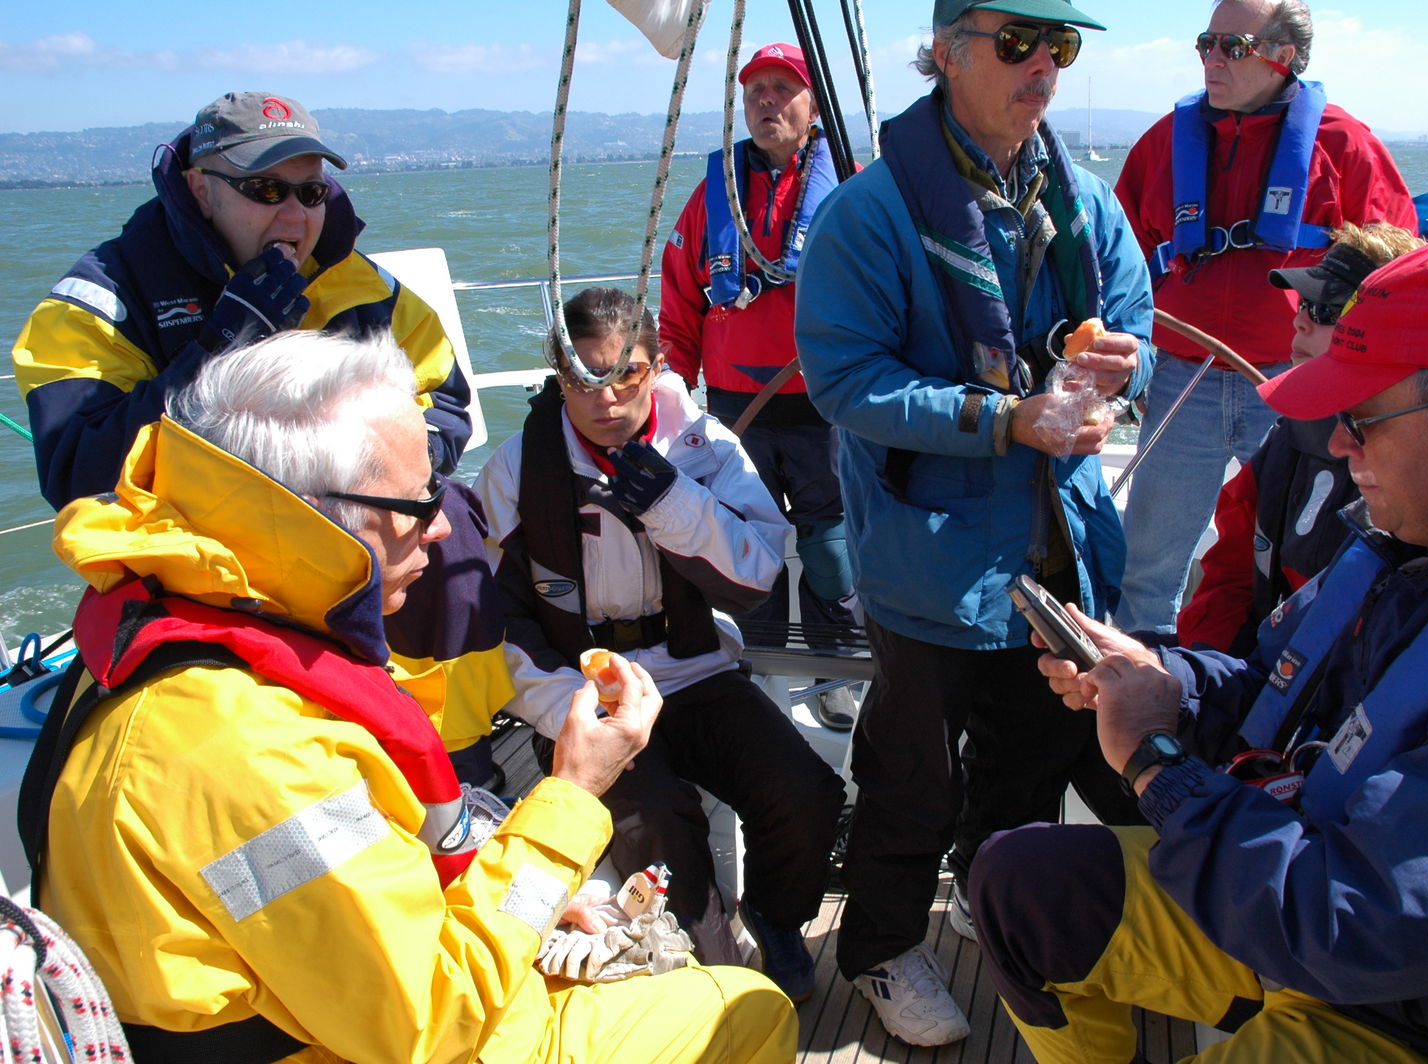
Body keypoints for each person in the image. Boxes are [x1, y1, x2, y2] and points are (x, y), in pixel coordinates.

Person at [25, 330, 796, 1064]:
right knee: (743, 1006)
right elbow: (435, 1020)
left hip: (361, 1005)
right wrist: (572, 791)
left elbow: (347, 898)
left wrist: (517, 890)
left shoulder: (199, 628)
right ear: (316, 517)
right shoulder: (244, 749)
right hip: (391, 1038)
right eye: (418, 506)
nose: (440, 531)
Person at [969, 233, 1428, 1062]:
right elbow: (1278, 690)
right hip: (1302, 899)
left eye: (1363, 418)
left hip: (1415, 1012)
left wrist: (1157, 764)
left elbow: (1360, 927)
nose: (1338, 444)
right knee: (1022, 886)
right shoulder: (1422, 542)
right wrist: (1167, 680)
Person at [793, 0, 1154, 1045]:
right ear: (947, 54)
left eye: (1060, 45)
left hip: (1058, 550)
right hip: (929, 565)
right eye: (1016, 41)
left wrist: (1123, 376)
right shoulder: (868, 215)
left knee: (1028, 765)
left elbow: (1138, 334)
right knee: (912, 775)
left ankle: (997, 912)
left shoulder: (1086, 204)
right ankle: (878, 948)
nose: (1044, 64)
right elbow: (844, 377)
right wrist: (1004, 420)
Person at [474, 287, 846, 1001]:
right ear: (558, 376)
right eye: (584, 378)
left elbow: (757, 574)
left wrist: (672, 501)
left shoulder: (706, 449)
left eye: (627, 374)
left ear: (659, 366)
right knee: (660, 824)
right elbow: (499, 619)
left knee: (804, 792)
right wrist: (566, 707)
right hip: (587, 692)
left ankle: (775, 918)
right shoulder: (516, 471)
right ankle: (715, 976)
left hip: (697, 670)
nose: (607, 398)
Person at [11, 90, 472, 511]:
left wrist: (400, 468)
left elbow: (444, 404)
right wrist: (217, 350)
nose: (295, 214)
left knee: (458, 521)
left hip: (352, 521)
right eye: (266, 190)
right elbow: (78, 473)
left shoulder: (364, 286)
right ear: (201, 191)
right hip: (194, 543)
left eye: (311, 193)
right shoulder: (103, 298)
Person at [1112, 0, 1416, 636]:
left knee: (1308, 556)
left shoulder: (1346, 146)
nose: (1212, 59)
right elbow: (1116, 261)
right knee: (1147, 566)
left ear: (1284, 56)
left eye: (1233, 46)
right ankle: (1140, 680)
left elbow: (1394, 268)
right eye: (1206, 43)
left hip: (1299, 386)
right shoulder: (1164, 143)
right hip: (1182, 379)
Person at [660, 43, 860, 730]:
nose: (767, 101)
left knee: (831, 548)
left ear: (813, 104)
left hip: (826, 401)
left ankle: (836, 672)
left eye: (783, 88)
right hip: (735, 408)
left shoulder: (853, 188)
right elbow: (679, 298)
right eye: (755, 92)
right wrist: (673, 394)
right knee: (747, 544)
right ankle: (761, 672)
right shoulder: (710, 197)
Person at [1177, 221, 1423, 655]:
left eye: (1326, 310)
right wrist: (1198, 672)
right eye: (1304, 303)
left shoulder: (1423, 464)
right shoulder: (1286, 444)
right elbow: (1229, 579)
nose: (1299, 320)